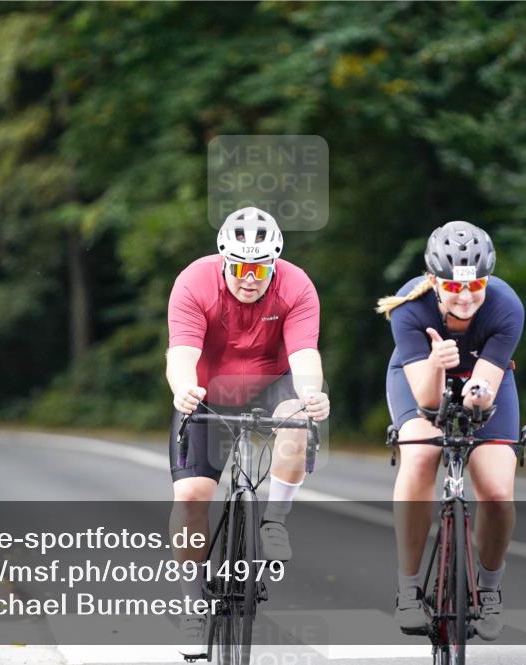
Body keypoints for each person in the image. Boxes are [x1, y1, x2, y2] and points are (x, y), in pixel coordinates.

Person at [166, 207, 331, 658]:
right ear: (224, 260)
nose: (250, 277)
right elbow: (180, 352)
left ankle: (274, 519)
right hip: (207, 386)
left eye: (260, 268)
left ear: (274, 263)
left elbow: (304, 356)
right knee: (192, 497)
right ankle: (192, 604)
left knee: (299, 416)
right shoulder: (195, 282)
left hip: (272, 383)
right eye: (240, 267)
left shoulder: (296, 287)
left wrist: (312, 395)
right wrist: (184, 390)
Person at [376, 221, 524, 641]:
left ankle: (490, 590)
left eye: (475, 285)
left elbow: (483, 396)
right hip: (422, 376)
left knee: (496, 489)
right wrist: (438, 366)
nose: (465, 296)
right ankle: (408, 592)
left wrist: (476, 397)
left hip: (484, 379)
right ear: (432, 281)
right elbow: (426, 402)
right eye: (453, 287)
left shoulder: (506, 307)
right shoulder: (409, 306)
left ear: (487, 279)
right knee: (421, 453)